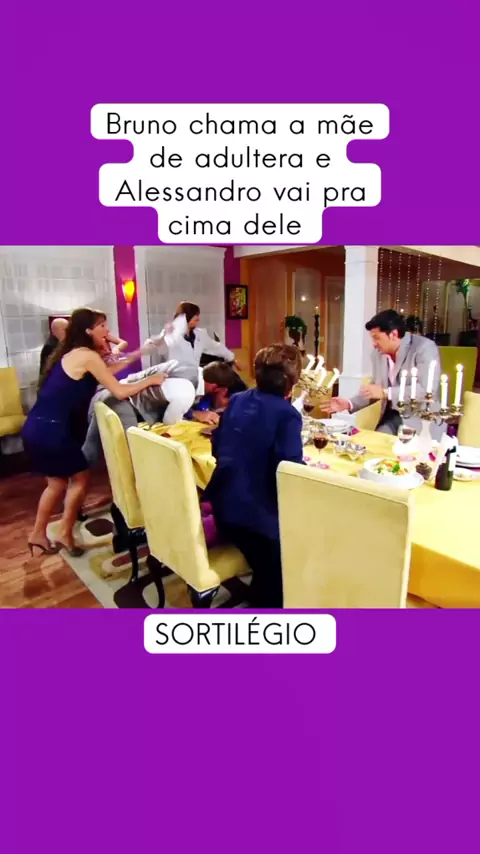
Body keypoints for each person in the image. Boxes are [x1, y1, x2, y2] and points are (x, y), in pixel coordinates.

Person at [22, 307, 166, 557]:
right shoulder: (87, 355)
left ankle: (42, 534)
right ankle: (58, 533)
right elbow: (119, 391)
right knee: (76, 479)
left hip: (39, 426)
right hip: (52, 430)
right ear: (88, 330)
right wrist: (150, 381)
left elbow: (107, 371)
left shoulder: (76, 353)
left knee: (58, 483)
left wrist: (140, 352)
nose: (107, 331)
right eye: (102, 326)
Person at [204, 344, 304, 609]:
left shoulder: (237, 400)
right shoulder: (288, 415)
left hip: (222, 505)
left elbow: (217, 447)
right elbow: (289, 476)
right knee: (287, 562)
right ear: (292, 381)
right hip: (254, 522)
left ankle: (261, 588)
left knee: (266, 565)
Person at [324, 309, 443, 436]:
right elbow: (375, 389)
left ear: (393, 334)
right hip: (391, 418)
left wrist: (386, 392)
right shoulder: (377, 354)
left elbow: (427, 390)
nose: (374, 344)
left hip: (419, 419)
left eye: (377, 338)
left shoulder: (424, 348)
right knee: (372, 444)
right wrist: (349, 403)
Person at [147, 301, 240, 375]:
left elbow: (216, 347)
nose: (198, 319)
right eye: (196, 315)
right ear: (186, 317)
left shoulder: (200, 335)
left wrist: (232, 359)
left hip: (194, 379)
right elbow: (154, 346)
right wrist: (163, 336)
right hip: (175, 380)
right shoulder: (170, 335)